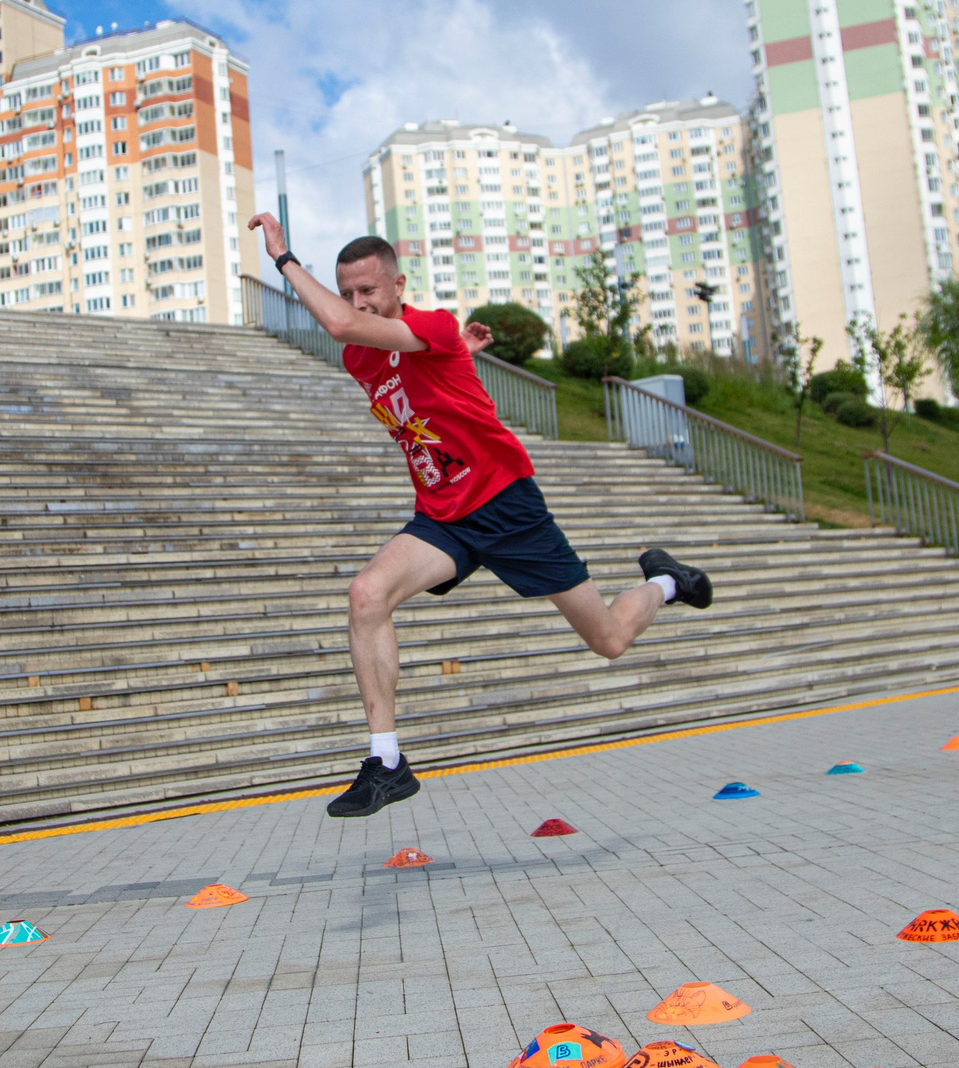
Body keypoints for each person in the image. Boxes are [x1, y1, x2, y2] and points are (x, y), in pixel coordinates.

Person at [250, 217, 712, 817]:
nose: (357, 304)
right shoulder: (363, 359)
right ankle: (386, 762)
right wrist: (460, 358)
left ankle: (667, 581)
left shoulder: (432, 324)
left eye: (369, 291)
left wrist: (285, 258)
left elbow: (360, 329)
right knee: (367, 595)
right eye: (349, 294)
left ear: (398, 286)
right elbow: (417, 376)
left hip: (505, 504)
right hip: (443, 516)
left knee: (609, 639)